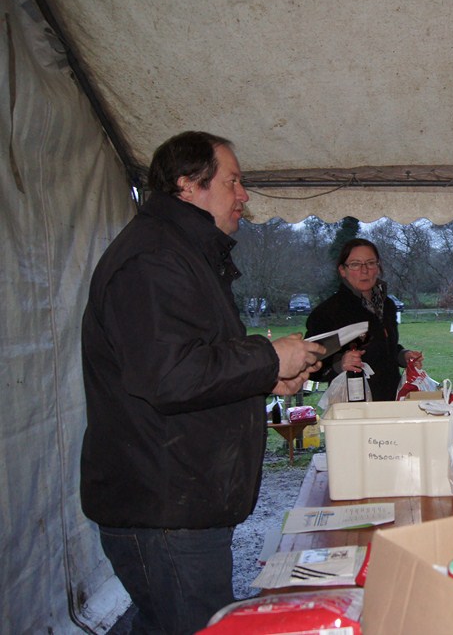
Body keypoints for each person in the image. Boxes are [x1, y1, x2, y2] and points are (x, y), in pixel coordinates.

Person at [80, 131, 326, 634]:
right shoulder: (153, 259)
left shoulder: (182, 253)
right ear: (188, 185)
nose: (244, 196)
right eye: (233, 182)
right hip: (164, 506)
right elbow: (169, 376)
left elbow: (194, 365)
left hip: (177, 500)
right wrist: (267, 355)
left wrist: (266, 379)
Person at [306, 238, 422, 401]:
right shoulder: (327, 312)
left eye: (370, 263)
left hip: (392, 401)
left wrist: (403, 356)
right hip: (353, 406)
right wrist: (340, 365)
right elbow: (310, 365)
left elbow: (384, 348)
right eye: (355, 264)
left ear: (378, 267)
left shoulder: (387, 305)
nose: (364, 270)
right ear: (342, 270)